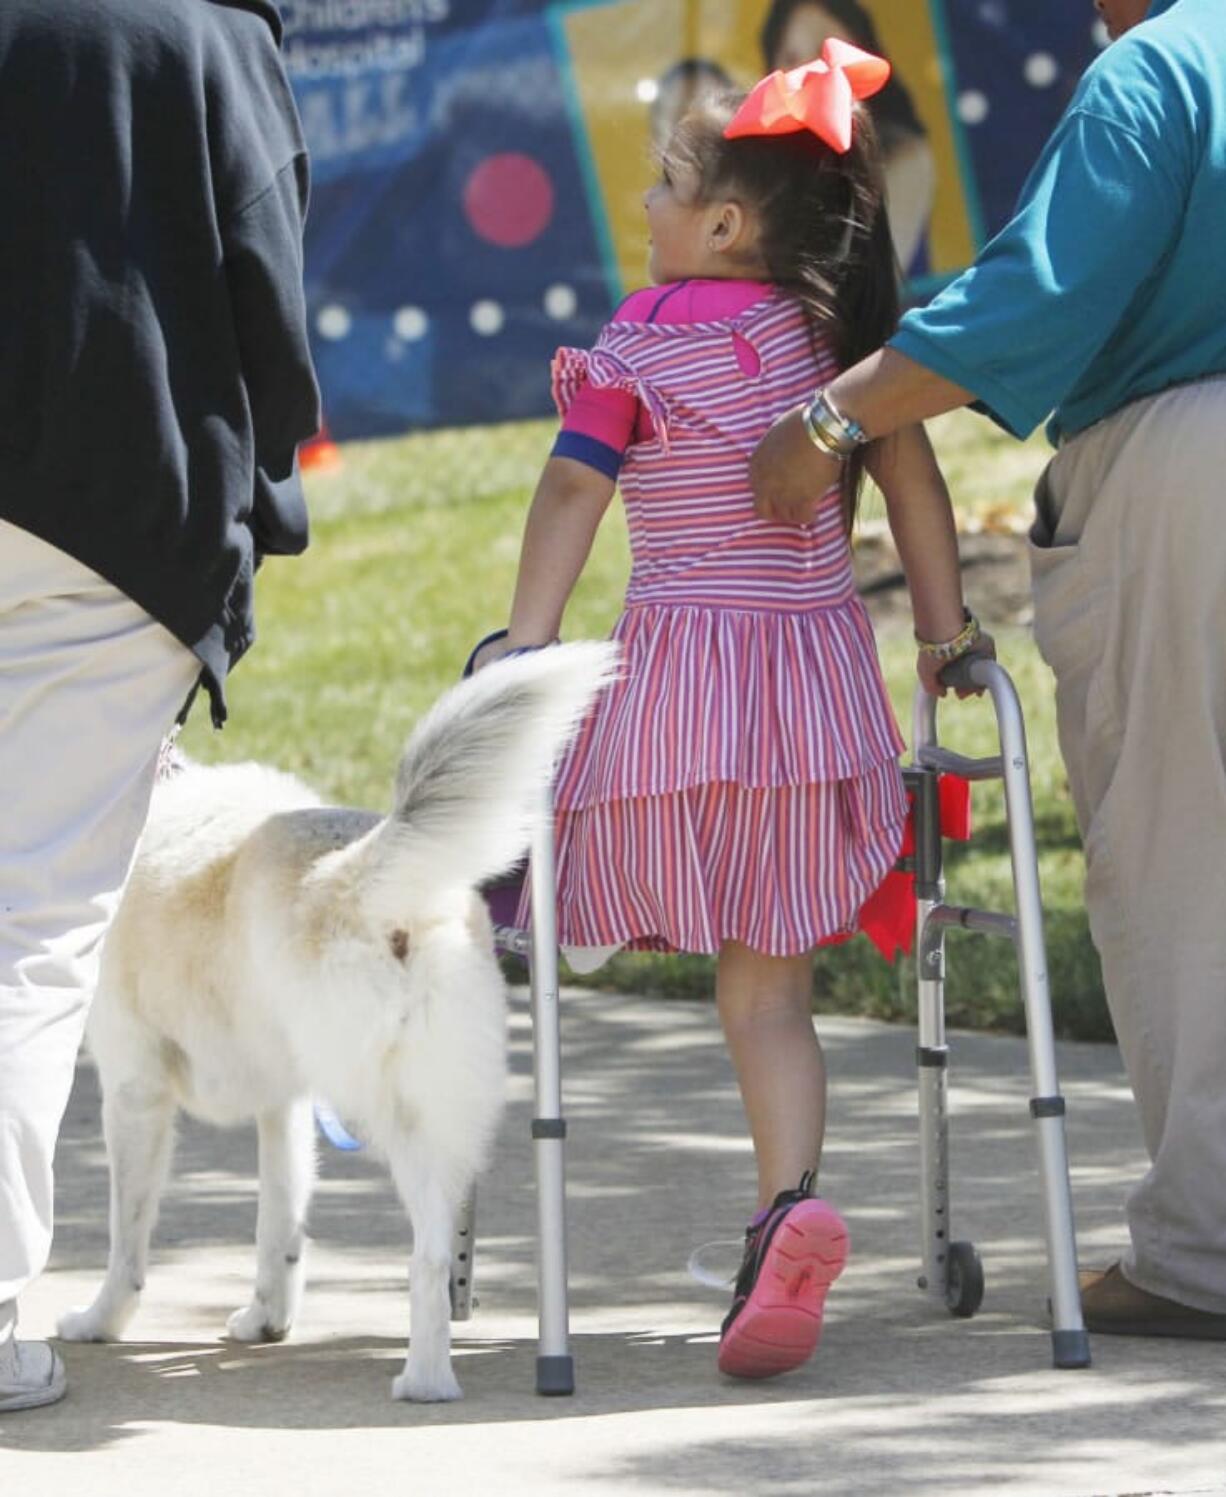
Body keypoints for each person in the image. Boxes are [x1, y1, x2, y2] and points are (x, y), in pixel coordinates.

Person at [474, 41, 991, 1380]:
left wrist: (523, 643)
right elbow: (920, 492)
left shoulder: (639, 340)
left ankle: (748, 1216)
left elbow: (575, 490)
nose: (641, 203)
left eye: (661, 184)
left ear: (722, 222)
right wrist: (943, 639)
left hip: (675, 698)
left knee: (600, 898)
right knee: (770, 989)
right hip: (813, 707)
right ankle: (785, 1205)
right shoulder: (839, 348)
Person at [749, 0, 1226, 1340]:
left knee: (1189, 853)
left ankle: (1206, 1253)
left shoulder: (1158, 72)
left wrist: (830, 412)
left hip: (1191, 462)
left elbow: (1036, 297)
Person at [0, 0, 319, 1412]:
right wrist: (262, 515)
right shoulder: (202, 27)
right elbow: (266, 282)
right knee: (30, 925)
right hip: (112, 511)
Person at [760, 0, 935, 275]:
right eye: (791, 58)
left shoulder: (904, 154)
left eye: (823, 53)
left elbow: (868, 275)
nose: (807, 71)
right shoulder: (761, 166)